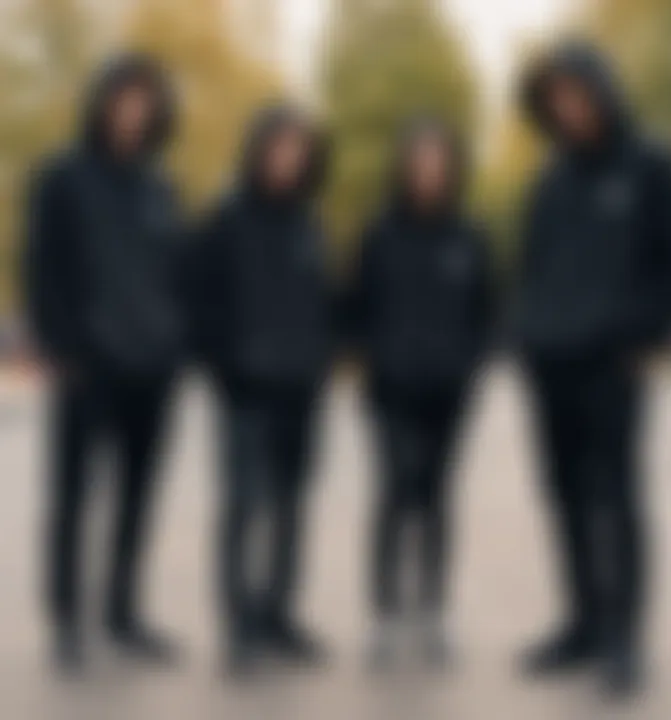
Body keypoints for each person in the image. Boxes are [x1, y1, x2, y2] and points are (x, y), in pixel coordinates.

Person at [515, 43, 671, 698]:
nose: (567, 107)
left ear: (602, 88)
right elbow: (532, 266)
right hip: (550, 365)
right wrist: (528, 332)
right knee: (562, 495)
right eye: (554, 98)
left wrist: (641, 335)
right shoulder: (551, 178)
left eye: (576, 92)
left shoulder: (653, 165)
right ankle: (583, 625)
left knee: (614, 501)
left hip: (612, 367)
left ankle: (624, 640)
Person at [24, 55, 186, 673]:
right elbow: (41, 266)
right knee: (71, 499)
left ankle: (123, 615)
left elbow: (174, 269)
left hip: (152, 368)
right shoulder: (62, 176)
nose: (131, 111)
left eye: (143, 101)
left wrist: (174, 340)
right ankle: (68, 623)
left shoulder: (159, 184)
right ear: (101, 103)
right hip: (87, 367)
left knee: (137, 499)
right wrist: (61, 347)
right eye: (122, 99)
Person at [349, 118, 496, 669]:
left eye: (438, 160)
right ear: (404, 167)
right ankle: (386, 614)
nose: (428, 171)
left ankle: (433, 611)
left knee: (436, 499)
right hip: (389, 391)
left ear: (451, 167)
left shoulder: (470, 235)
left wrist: (471, 363)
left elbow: (488, 311)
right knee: (393, 494)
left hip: (449, 393)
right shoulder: (379, 233)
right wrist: (370, 356)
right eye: (418, 160)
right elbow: (355, 304)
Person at [194, 105, 332, 674]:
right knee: (243, 506)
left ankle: (278, 615)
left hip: (301, 390)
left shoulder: (308, 223)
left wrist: (320, 358)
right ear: (258, 149)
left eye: (298, 150)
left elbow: (322, 300)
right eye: (278, 147)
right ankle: (239, 626)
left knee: (291, 508)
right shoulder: (226, 217)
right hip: (245, 391)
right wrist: (226, 368)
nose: (287, 159)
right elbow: (200, 300)